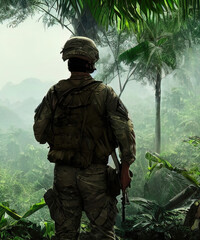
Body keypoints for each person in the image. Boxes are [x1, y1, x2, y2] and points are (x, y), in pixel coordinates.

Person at [33, 36, 136, 240]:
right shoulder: (105, 93)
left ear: (69, 62)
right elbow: (124, 134)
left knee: (65, 233)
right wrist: (125, 168)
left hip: (63, 175)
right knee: (102, 233)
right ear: (91, 63)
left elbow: (39, 134)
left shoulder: (54, 93)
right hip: (95, 174)